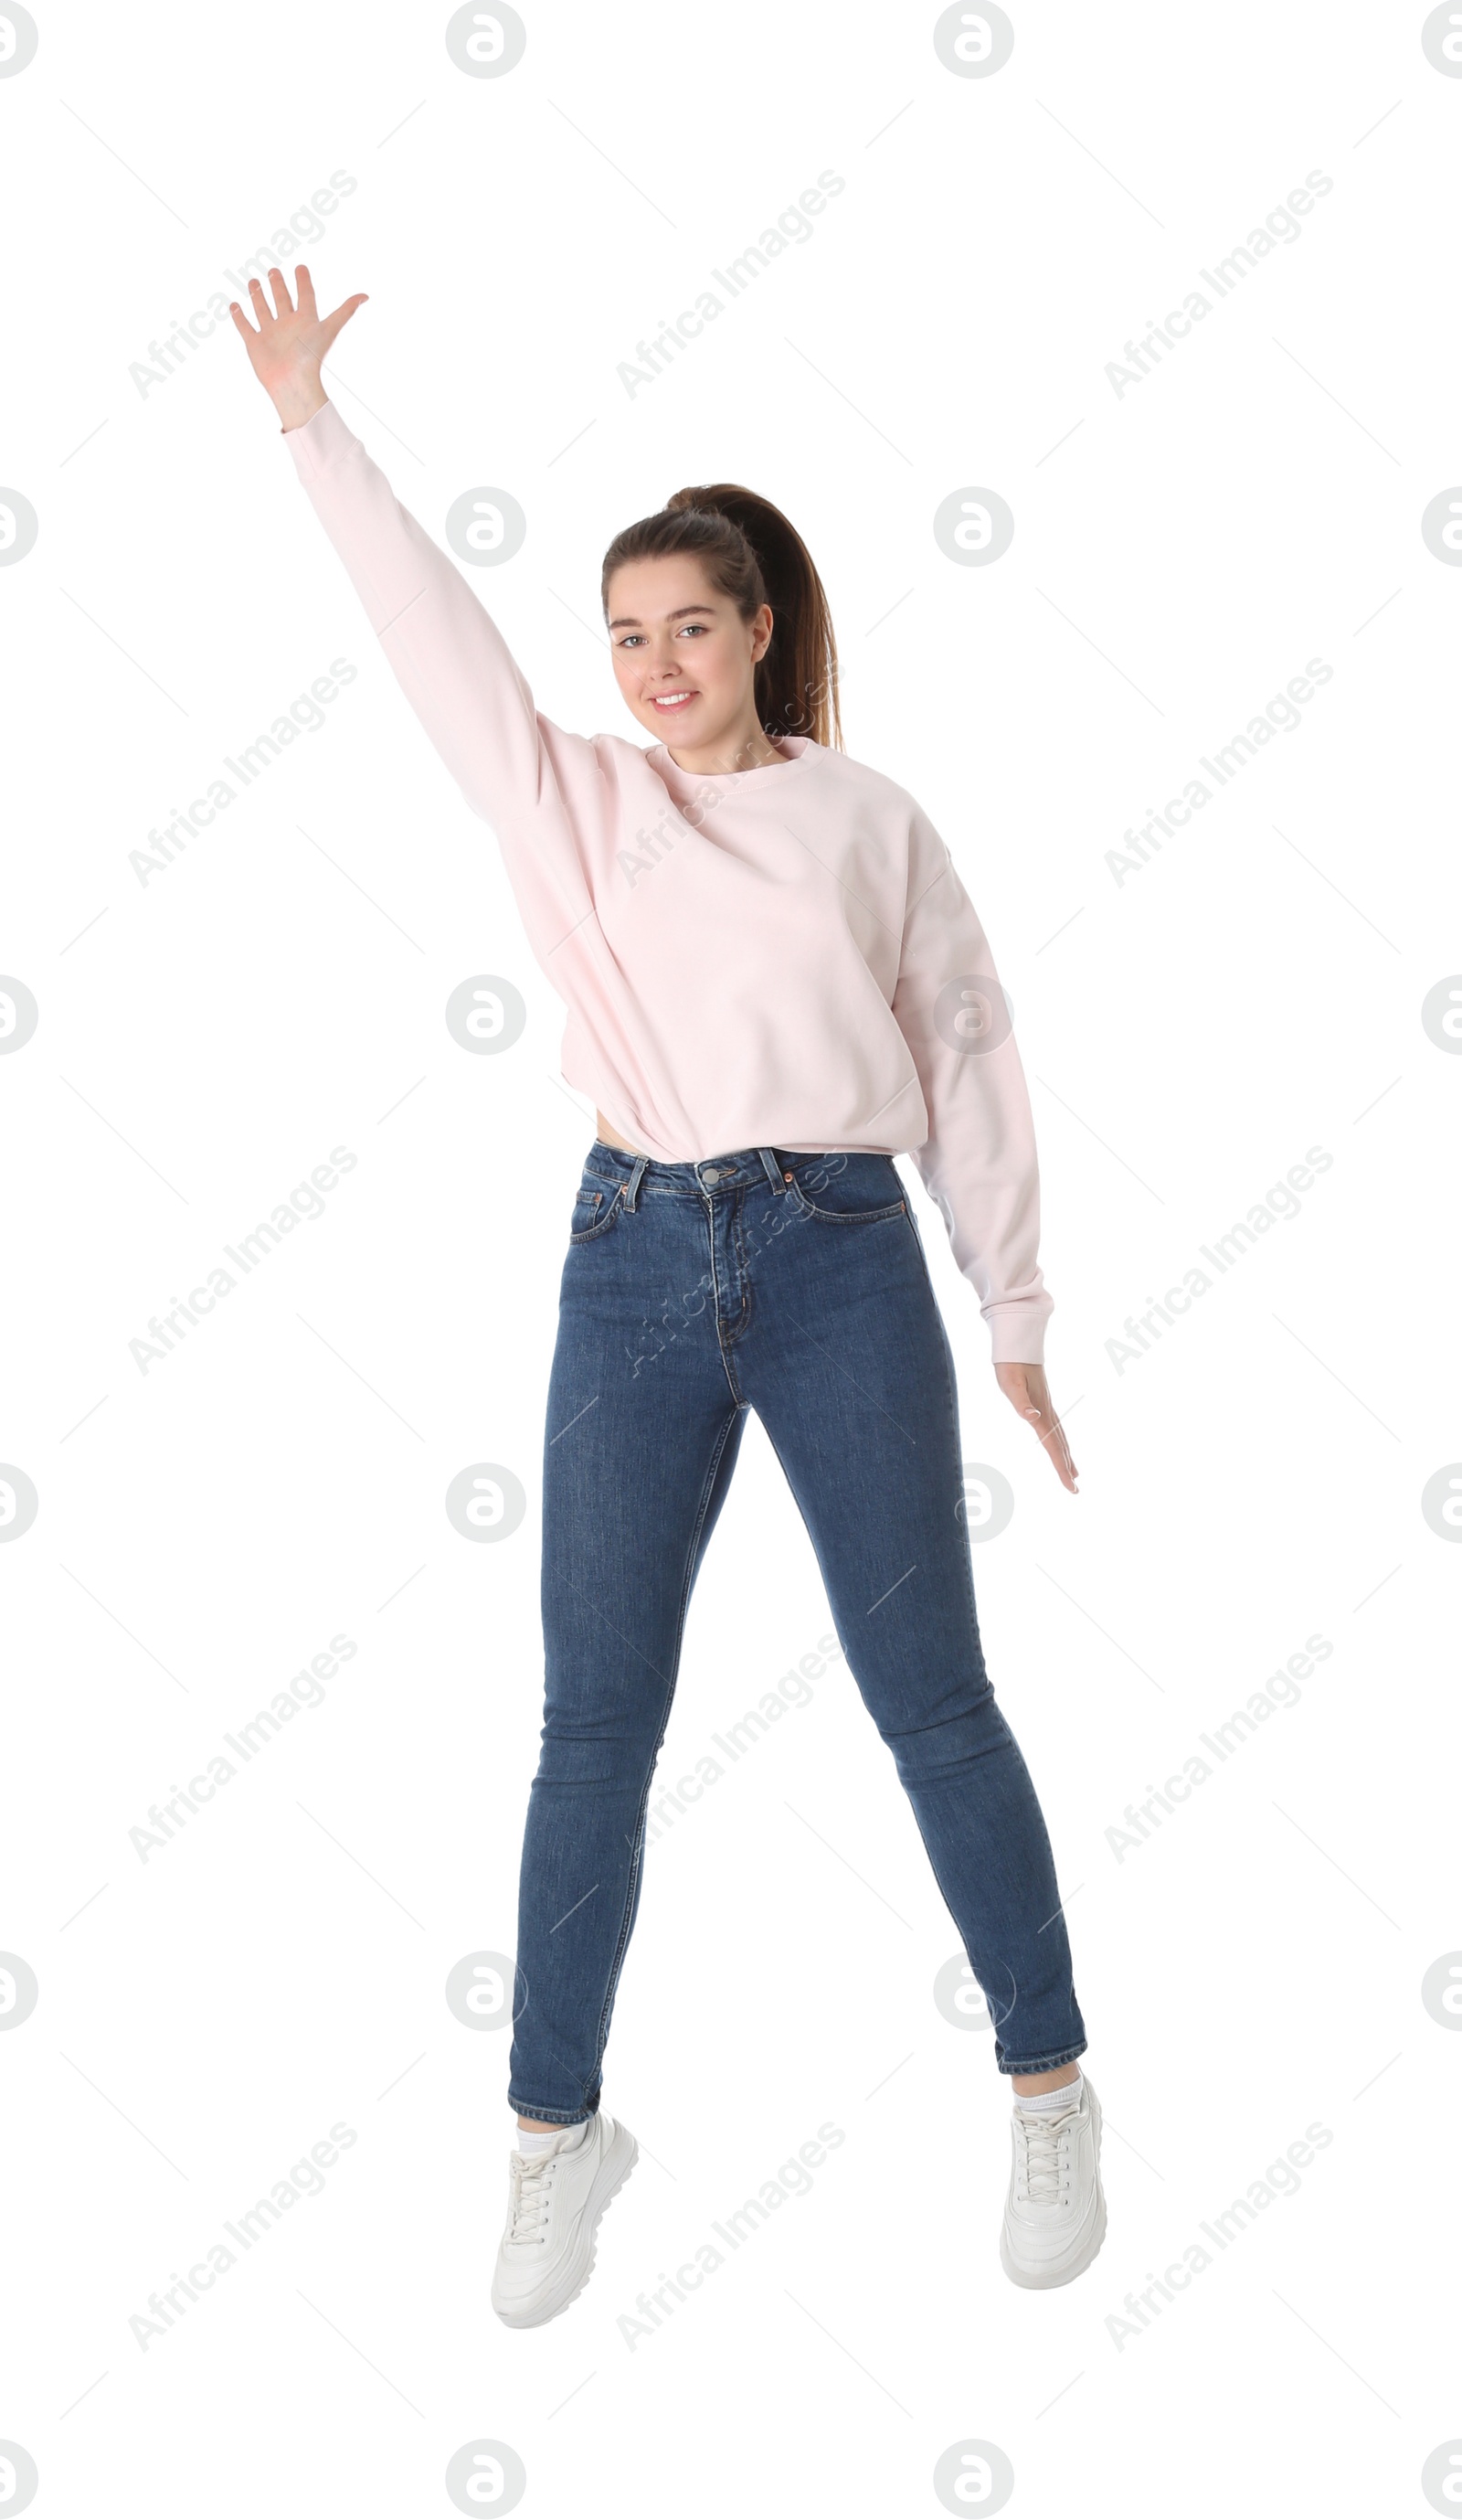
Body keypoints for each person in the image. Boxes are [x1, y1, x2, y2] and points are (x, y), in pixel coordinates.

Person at [230, 263, 1106, 2325]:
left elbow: (966, 1055)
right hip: (627, 1258)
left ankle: (1048, 2078)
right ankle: (553, 2133)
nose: (650, 669)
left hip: (835, 1259)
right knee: (590, 1726)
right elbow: (426, 631)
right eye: (621, 639)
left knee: (932, 1704)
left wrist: (1015, 1316)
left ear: (759, 629)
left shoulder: (865, 820)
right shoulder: (574, 802)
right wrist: (305, 422)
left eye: (685, 629)